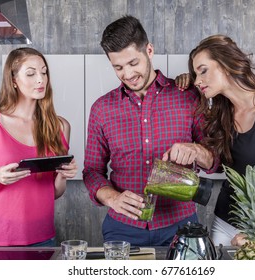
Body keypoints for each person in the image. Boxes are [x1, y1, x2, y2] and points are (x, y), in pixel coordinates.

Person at [83, 15, 218, 246]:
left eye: (133, 63)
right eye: (118, 67)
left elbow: (214, 160)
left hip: (181, 225)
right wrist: (112, 198)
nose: (127, 74)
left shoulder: (188, 96)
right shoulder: (101, 109)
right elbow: (92, 171)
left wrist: (196, 150)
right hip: (122, 228)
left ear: (149, 50)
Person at [176, 35, 255, 247]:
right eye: (195, 74)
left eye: (203, 70)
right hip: (224, 223)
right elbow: (217, 163)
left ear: (226, 64)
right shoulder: (222, 112)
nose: (198, 80)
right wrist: (188, 81)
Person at [0, 47, 77, 247]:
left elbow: (54, 192)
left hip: (43, 238)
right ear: (13, 80)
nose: (41, 79)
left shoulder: (60, 127)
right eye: (31, 73)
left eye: (43, 72)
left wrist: (62, 175)